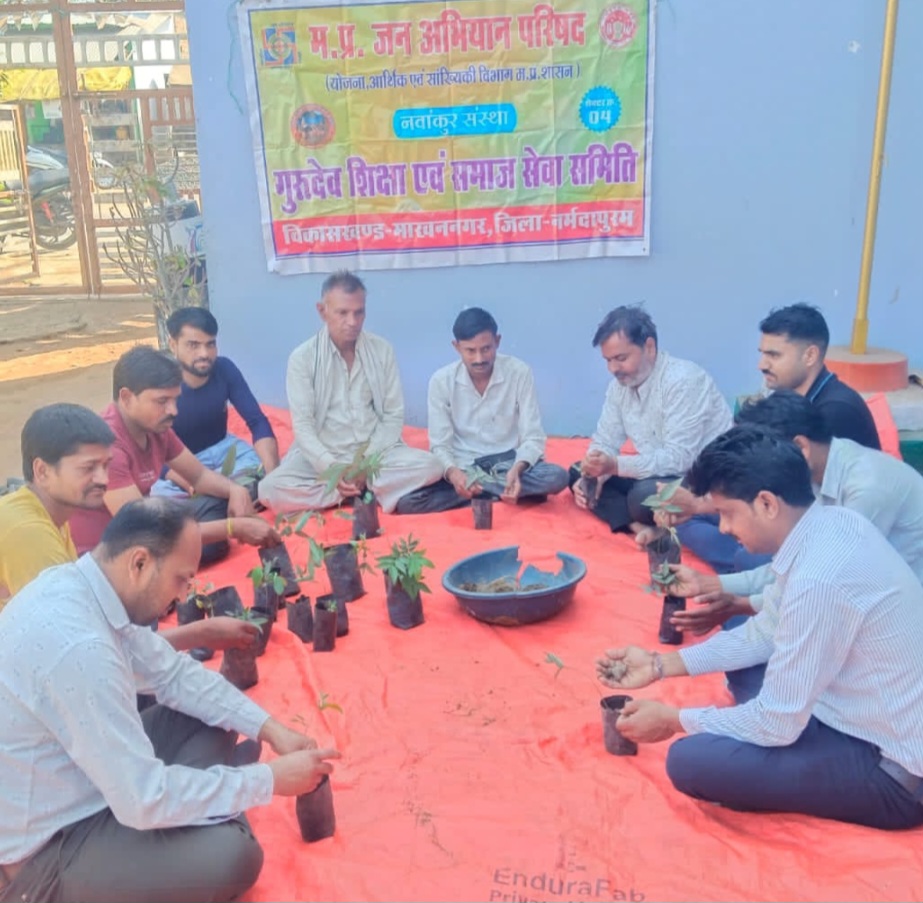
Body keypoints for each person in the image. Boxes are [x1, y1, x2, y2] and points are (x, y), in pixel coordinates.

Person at [0, 498, 339, 903]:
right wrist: (268, 780)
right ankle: (209, 815)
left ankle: (204, 809)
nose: (183, 597)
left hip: (90, 780)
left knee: (214, 717)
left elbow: (174, 675)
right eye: (181, 580)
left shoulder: (86, 588)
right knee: (235, 857)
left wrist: (272, 730)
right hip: (53, 846)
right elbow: (141, 800)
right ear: (139, 563)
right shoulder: (82, 649)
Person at [595, 427, 923, 830]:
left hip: (893, 771)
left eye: (728, 514)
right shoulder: (832, 523)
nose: (724, 528)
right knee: (741, 632)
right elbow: (765, 631)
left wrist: (674, 719)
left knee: (690, 760)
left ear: (766, 503)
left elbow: (777, 724)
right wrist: (659, 665)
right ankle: (762, 729)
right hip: (848, 706)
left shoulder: (819, 578)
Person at [667, 390, 923, 647]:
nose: (724, 527)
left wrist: (741, 601)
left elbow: (818, 576)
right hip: (831, 586)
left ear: (800, 447)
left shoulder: (866, 490)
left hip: (889, 617)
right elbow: (800, 558)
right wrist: (720, 587)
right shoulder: (818, 467)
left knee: (748, 632)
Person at [0, 403, 258, 655]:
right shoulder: (28, 532)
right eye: (88, 468)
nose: (103, 479)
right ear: (42, 471)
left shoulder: (53, 514)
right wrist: (197, 634)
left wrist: (199, 634)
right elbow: (82, 646)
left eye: (106, 466)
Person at [670, 302, 882, 573]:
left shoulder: (837, 411)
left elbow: (792, 498)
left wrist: (706, 506)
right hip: (779, 505)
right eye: (762, 354)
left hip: (814, 520)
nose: (762, 365)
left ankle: (749, 565)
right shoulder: (784, 395)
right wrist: (703, 502)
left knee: (742, 549)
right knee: (691, 516)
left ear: (810, 355)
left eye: (774, 355)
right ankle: (744, 558)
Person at [69, 346, 279, 564]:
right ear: (127, 397)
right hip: (114, 548)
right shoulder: (108, 448)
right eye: (162, 401)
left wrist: (236, 490)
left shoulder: (155, 427)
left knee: (225, 498)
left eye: (175, 399)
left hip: (144, 519)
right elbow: (143, 529)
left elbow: (199, 476)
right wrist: (232, 527)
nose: (173, 411)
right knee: (205, 544)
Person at [258, 271, 443, 514]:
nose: (352, 321)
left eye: (359, 312)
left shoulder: (382, 350)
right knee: (269, 489)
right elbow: (303, 427)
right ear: (322, 311)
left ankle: (347, 490)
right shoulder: (302, 359)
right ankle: (357, 491)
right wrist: (333, 469)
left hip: (374, 457)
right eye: (342, 313)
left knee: (432, 466)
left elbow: (392, 417)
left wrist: (364, 465)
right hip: (324, 459)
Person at [570, 305, 732, 535]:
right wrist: (595, 471)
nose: (613, 369)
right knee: (576, 474)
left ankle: (639, 519)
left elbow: (679, 459)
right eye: (608, 360)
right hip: (655, 472)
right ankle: (637, 526)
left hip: (700, 478)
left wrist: (614, 466)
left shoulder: (684, 381)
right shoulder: (618, 387)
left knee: (643, 497)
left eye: (621, 358)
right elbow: (606, 440)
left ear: (649, 347)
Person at [395, 307, 569, 513]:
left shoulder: (519, 373)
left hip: (508, 464)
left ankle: (486, 492)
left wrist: (518, 468)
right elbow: (440, 445)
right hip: (465, 469)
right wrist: (454, 475)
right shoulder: (441, 381)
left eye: (486, 349)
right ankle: (501, 492)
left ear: (498, 341)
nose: (479, 359)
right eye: (470, 351)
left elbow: (533, 436)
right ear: (456, 347)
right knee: (409, 502)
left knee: (557, 477)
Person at [151, 307, 279, 500]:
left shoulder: (224, 368)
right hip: (180, 462)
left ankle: (222, 497)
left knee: (262, 468)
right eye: (193, 345)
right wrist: (190, 483)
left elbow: (257, 421)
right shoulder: (159, 384)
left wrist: (272, 476)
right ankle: (223, 496)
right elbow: (149, 453)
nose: (204, 353)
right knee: (160, 498)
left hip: (224, 449)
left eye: (210, 344)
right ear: (173, 345)